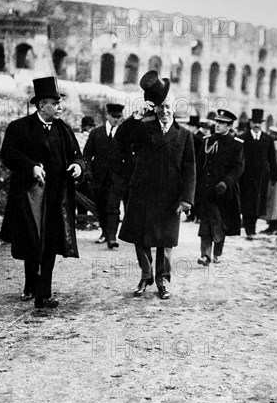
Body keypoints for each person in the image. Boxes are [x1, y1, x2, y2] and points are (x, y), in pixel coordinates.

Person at [0, 77, 85, 309]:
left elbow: (78, 155)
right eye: (55, 103)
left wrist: (78, 166)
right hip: (28, 197)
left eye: (59, 103)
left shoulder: (64, 130)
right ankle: (30, 284)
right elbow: (8, 154)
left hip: (56, 199)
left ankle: (43, 293)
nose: (60, 107)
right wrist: (31, 167)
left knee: (50, 242)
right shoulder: (19, 128)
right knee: (31, 241)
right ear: (41, 105)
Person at [115, 71, 195, 300]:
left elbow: (190, 169)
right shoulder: (143, 127)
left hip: (170, 195)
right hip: (143, 191)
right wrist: (135, 117)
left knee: (165, 241)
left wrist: (187, 199)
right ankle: (145, 275)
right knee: (140, 237)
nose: (165, 111)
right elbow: (121, 138)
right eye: (160, 107)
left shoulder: (184, 136)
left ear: (174, 108)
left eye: (168, 107)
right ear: (155, 108)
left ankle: (162, 281)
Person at [195, 109, 244, 266]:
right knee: (206, 223)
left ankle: (217, 253)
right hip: (207, 190)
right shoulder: (207, 141)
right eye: (217, 122)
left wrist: (226, 182)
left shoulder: (236, 145)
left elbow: (238, 167)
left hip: (224, 192)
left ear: (229, 126)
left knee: (220, 223)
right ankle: (205, 255)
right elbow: (199, 164)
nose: (218, 125)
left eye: (222, 123)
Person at [83, 103, 127, 249]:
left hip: (117, 177)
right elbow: (87, 153)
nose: (116, 120)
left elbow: (129, 157)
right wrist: (88, 170)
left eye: (119, 117)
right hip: (98, 177)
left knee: (113, 206)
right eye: (114, 117)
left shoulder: (123, 135)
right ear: (107, 115)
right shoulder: (96, 133)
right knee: (101, 206)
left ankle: (112, 237)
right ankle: (105, 232)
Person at [238, 109, 277, 239]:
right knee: (246, 202)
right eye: (254, 123)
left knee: (258, 203)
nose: (256, 125)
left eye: (258, 123)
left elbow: (272, 158)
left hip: (262, 177)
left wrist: (274, 175)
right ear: (250, 123)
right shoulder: (243, 138)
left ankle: (252, 226)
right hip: (246, 176)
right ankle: (249, 229)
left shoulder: (268, 139)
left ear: (261, 124)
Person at [262, 126, 277, 235]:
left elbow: (274, 162)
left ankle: (274, 226)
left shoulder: (276, 148)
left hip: (276, 178)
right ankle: (272, 226)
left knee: (274, 202)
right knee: (275, 202)